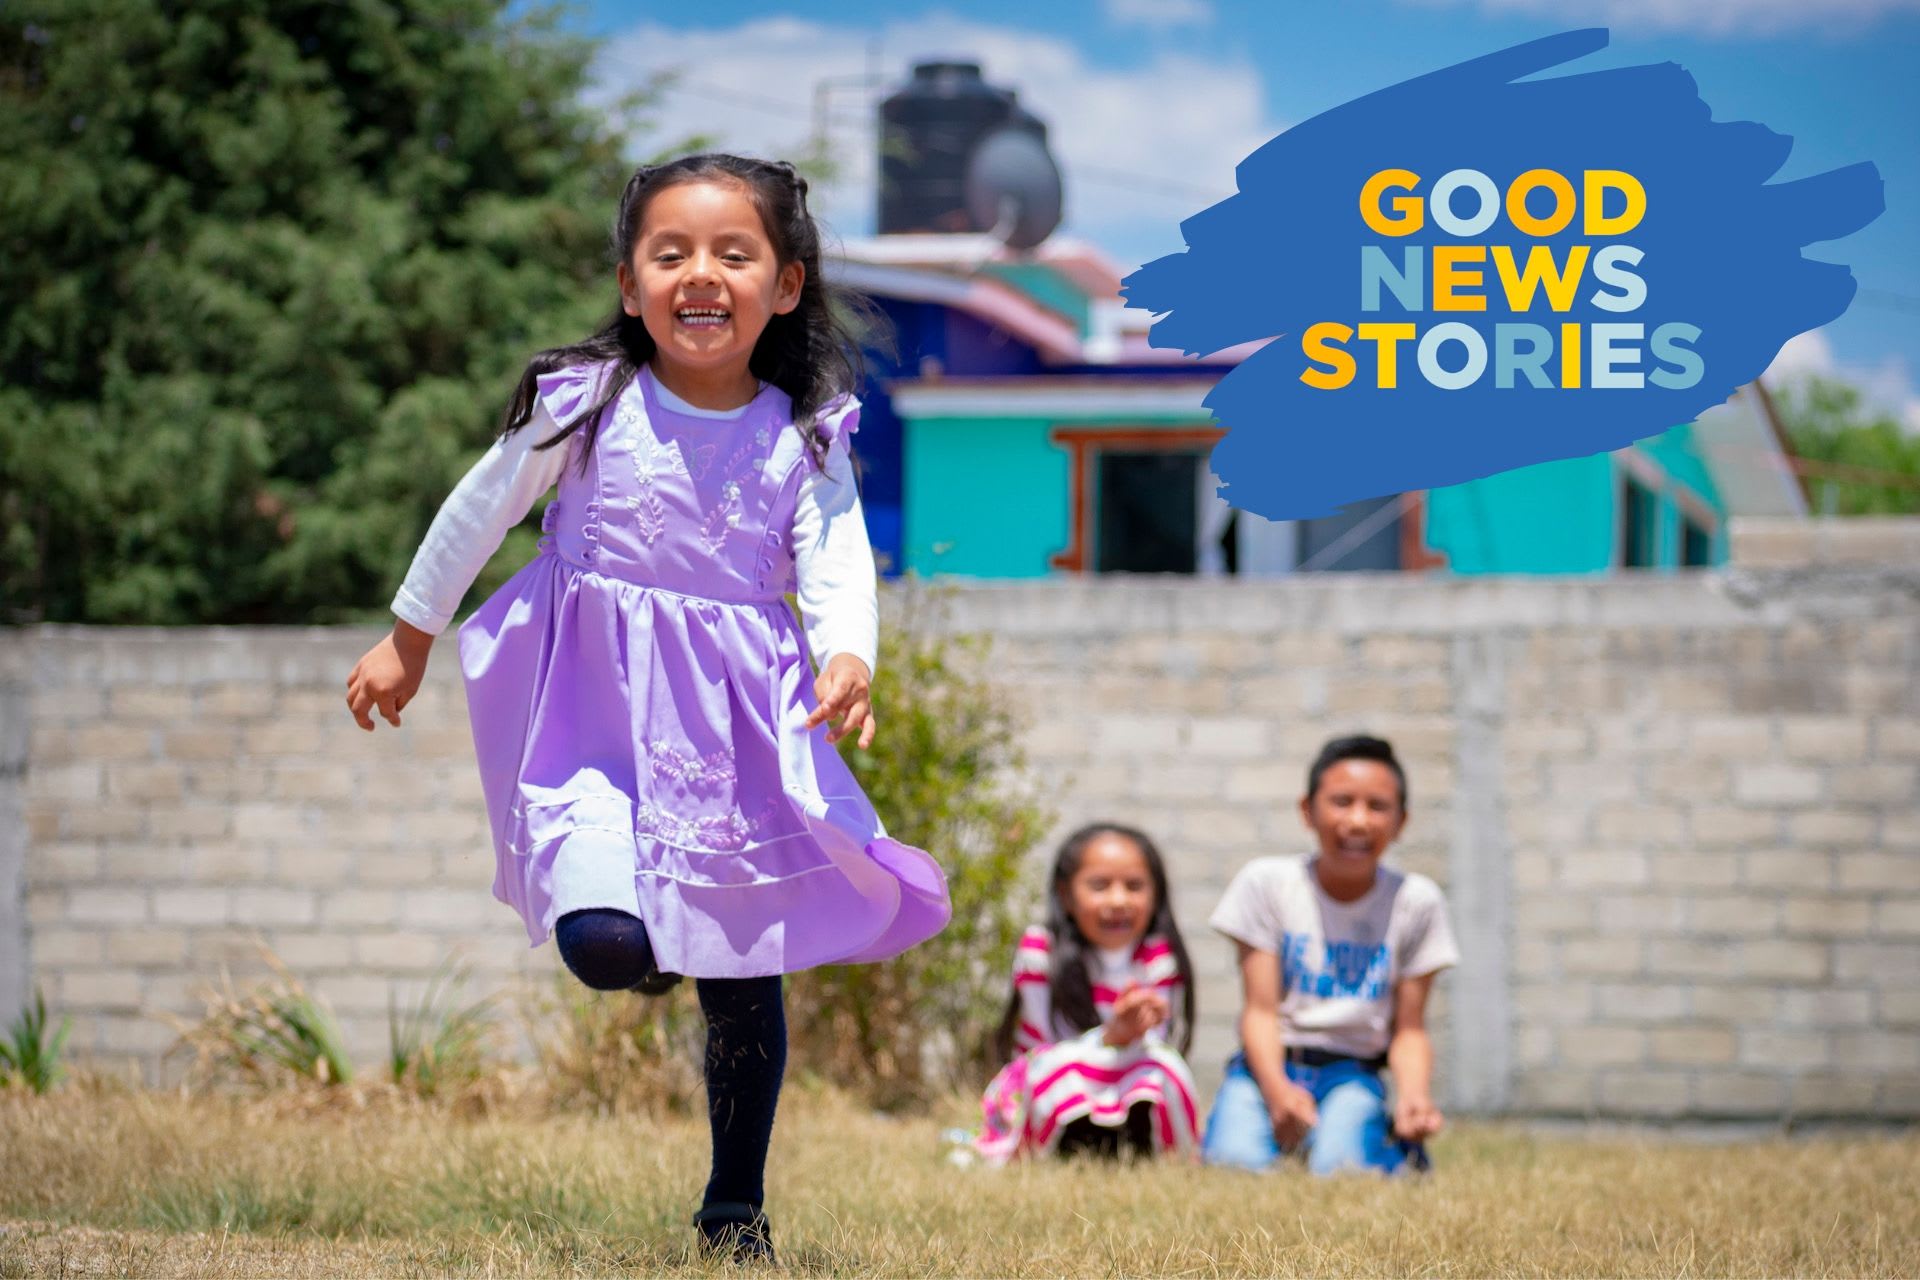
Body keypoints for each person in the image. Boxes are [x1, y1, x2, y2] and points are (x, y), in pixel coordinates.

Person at [342, 153, 950, 1261]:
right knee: (608, 941)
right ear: (631, 284)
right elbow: (477, 512)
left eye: (733, 252)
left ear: (787, 285)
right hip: (592, 723)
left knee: (743, 986)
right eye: (670, 254)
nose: (700, 273)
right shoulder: (585, 402)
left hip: (737, 742)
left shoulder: (803, 432)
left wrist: (848, 654)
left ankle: (734, 1209)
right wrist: (408, 635)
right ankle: (659, 940)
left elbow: (838, 560)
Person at [1201, 735, 1458, 1176]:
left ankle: (1389, 1145)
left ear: (1401, 822)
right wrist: (1277, 1091)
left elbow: (1410, 1029)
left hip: (1352, 1072)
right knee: (1234, 1167)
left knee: (1342, 1171)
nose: (1358, 821)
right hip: (1267, 1066)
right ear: (1308, 810)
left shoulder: (1417, 902)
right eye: (1341, 801)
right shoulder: (1267, 884)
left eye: (1377, 806)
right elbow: (1260, 1012)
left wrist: (1414, 1095)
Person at [975, 823, 1201, 1164]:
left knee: (1167, 1067)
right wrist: (1111, 1037)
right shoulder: (1041, 952)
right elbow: (1046, 1053)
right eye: (1099, 886)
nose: (1118, 900)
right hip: (1048, 1089)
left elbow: (1153, 1048)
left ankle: (1167, 1158)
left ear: (1155, 895)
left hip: (1123, 1083)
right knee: (1062, 1073)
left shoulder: (1158, 958)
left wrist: (1130, 1035)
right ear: (1066, 895)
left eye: (1134, 886)